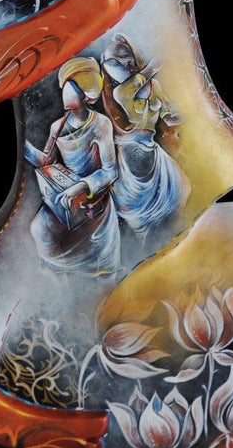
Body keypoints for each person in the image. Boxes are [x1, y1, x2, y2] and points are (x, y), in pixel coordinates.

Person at [24, 56, 121, 278]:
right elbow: (46, 162)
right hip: (64, 198)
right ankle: (59, 280)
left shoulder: (100, 125)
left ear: (86, 94)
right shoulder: (57, 127)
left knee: (101, 267)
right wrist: (24, 146)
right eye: (66, 85)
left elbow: (110, 172)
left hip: (92, 202)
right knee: (39, 229)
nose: (65, 92)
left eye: (73, 86)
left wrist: (80, 187)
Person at [101, 33, 192, 244]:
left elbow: (167, 116)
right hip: (132, 154)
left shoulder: (154, 86)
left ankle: (174, 238)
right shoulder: (121, 92)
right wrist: (152, 66)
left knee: (179, 191)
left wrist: (186, 115)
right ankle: (147, 245)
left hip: (153, 152)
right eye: (118, 63)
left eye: (128, 59)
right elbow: (148, 72)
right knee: (138, 208)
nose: (127, 65)